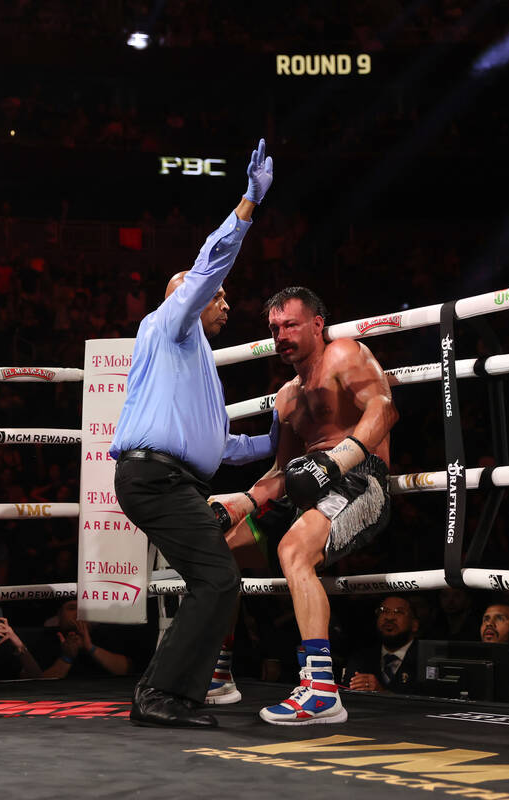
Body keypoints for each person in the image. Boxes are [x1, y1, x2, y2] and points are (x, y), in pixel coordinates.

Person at [110, 138, 275, 728]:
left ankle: (164, 694)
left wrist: (278, 439)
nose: (224, 305)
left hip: (165, 476)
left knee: (213, 577)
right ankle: (163, 696)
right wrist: (248, 204)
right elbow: (210, 264)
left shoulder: (193, 359)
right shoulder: (173, 324)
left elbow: (220, 448)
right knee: (217, 577)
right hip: (155, 478)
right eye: (219, 298)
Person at [213, 285, 398, 725]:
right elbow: (281, 474)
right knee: (217, 548)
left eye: (291, 324)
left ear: (317, 323)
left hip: (359, 478)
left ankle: (321, 690)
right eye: (275, 328)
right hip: (305, 487)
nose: (281, 334)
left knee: (293, 551)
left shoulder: (345, 354)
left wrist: (337, 460)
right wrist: (238, 504)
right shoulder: (287, 398)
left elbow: (384, 407)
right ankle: (219, 674)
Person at [342, 595, 422, 696]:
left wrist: (382, 693)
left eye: (399, 612)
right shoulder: (361, 658)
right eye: (384, 611)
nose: (389, 617)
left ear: (414, 624)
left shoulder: (424, 660)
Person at [39, 599, 135, 679]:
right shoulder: (45, 639)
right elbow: (36, 684)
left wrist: (91, 648)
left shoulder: (105, 634)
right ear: (59, 614)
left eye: (84, 609)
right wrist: (66, 658)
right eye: (72, 608)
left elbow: (126, 671)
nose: (78, 614)